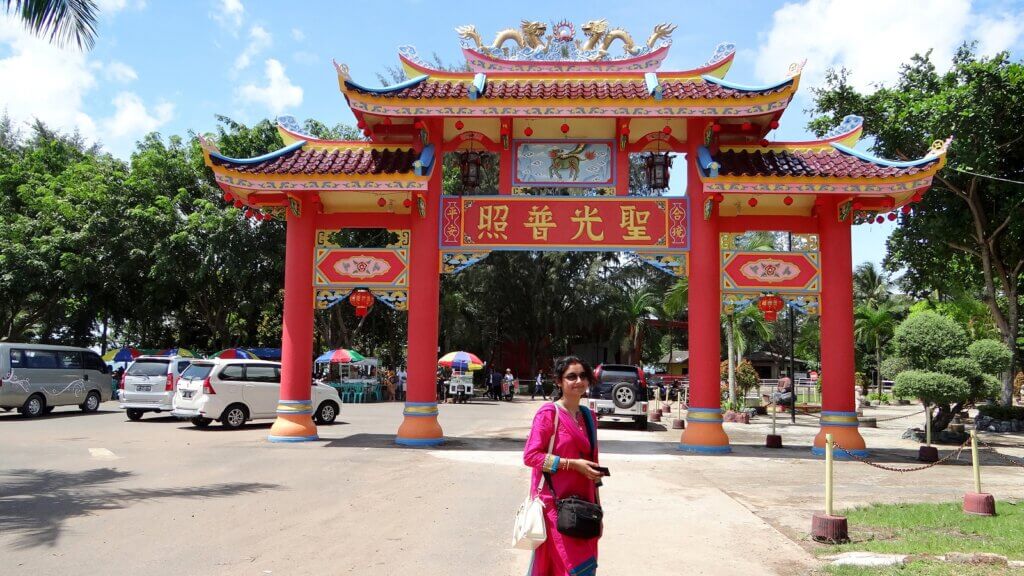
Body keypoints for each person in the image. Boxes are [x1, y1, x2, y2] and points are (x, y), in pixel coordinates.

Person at [522, 356, 604, 575]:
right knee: (565, 567)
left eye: (583, 376)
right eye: (571, 376)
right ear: (559, 381)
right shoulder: (549, 414)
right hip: (556, 507)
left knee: (585, 565)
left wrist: (599, 509)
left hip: (584, 507)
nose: (579, 381)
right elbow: (531, 456)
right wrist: (572, 465)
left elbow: (593, 465)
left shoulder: (588, 417)